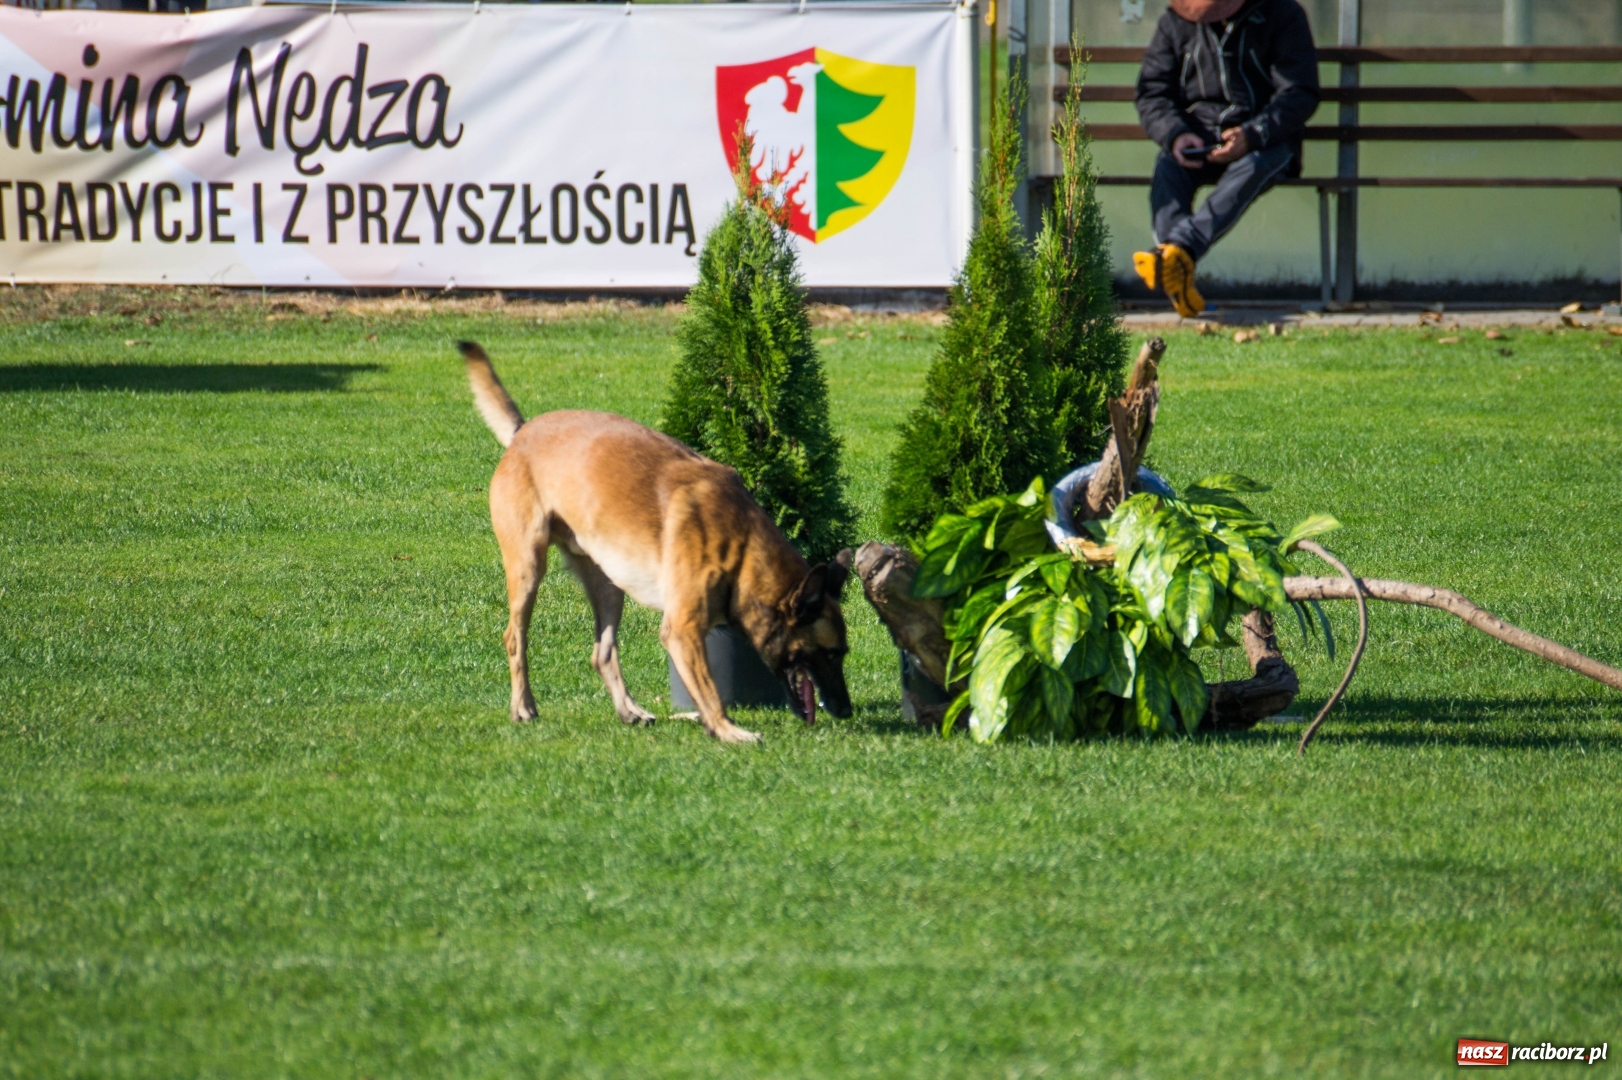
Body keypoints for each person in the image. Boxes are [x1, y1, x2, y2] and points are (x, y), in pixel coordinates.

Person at [1132, 0, 1320, 317]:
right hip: (1198, 141)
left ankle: (1178, 250)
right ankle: (1176, 263)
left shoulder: (1283, 14)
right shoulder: (1174, 22)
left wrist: (1252, 134)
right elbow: (1153, 93)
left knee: (1254, 165)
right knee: (1168, 167)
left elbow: (1299, 92)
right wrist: (1175, 135)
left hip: (1266, 141)